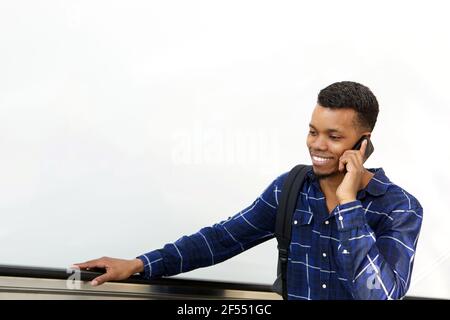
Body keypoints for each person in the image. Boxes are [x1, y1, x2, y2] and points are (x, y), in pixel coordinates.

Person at [73, 81, 423, 300]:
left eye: (334, 137)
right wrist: (138, 264)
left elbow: (380, 295)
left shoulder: (399, 208)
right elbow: (224, 238)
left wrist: (348, 204)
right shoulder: (291, 189)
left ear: (363, 143)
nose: (317, 145)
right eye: (313, 131)